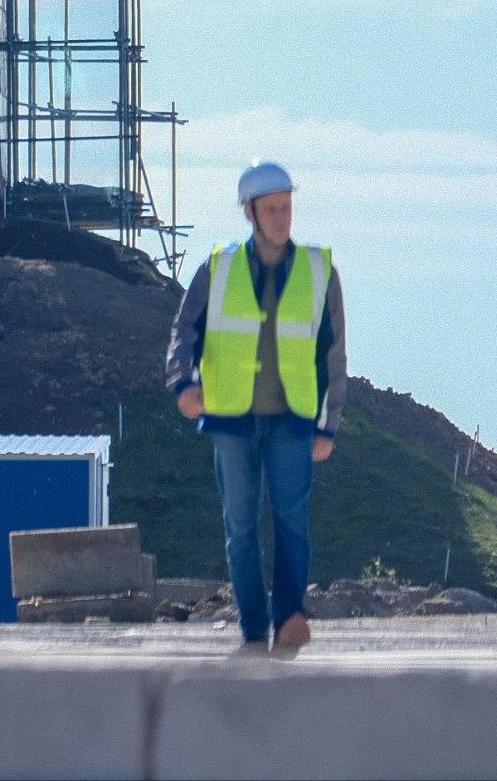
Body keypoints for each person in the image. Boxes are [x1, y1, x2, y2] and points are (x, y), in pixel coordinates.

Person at [164, 159, 346, 657]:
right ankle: (252, 629)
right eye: (271, 210)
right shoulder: (218, 267)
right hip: (231, 418)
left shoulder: (319, 272)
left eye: (286, 207)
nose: (282, 218)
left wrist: (329, 425)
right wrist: (182, 382)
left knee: (292, 521)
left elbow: (333, 353)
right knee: (240, 527)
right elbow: (184, 329)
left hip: (292, 419)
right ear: (250, 212)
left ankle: (289, 618)